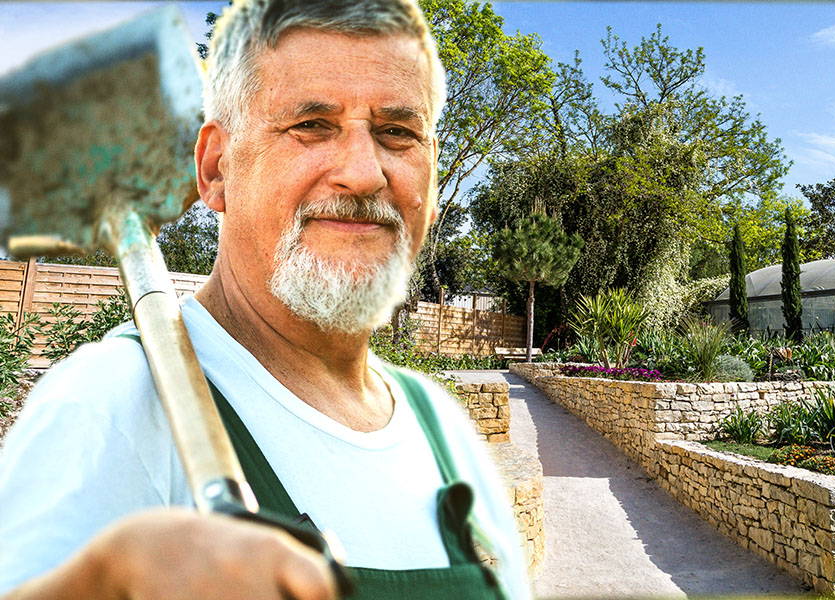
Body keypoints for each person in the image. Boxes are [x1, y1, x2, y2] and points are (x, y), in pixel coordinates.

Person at [0, 1, 530, 598]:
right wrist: (103, 580)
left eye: (397, 133)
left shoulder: (442, 430)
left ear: (432, 186)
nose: (363, 172)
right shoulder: (107, 402)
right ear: (215, 169)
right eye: (312, 125)